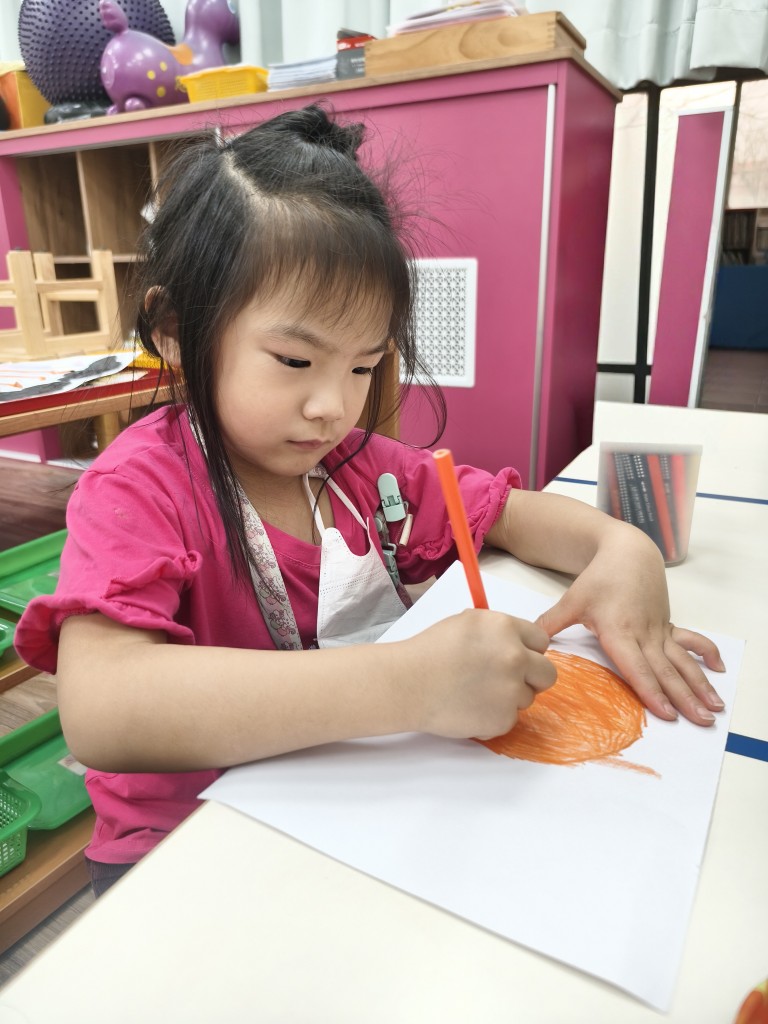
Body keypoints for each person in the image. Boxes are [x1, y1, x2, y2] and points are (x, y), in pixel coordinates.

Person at [15, 105, 725, 897]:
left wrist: (622, 550)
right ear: (178, 329)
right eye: (295, 360)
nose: (332, 407)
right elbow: (103, 709)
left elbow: (517, 517)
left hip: (346, 814)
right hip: (183, 855)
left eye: (362, 366)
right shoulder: (139, 489)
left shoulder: (362, 472)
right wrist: (410, 685)